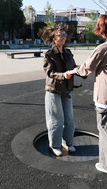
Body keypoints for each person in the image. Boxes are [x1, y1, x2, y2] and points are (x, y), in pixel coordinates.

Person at [66, 14, 107, 175]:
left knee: (106, 131)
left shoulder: (103, 49)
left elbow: (86, 69)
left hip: (106, 96)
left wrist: (72, 70)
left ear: (102, 29)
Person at [41, 24, 77, 157]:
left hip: (66, 90)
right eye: (60, 35)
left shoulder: (68, 53)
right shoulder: (49, 54)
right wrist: (63, 75)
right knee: (56, 119)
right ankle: (54, 145)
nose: (63, 38)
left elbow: (73, 67)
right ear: (54, 38)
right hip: (54, 90)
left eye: (64, 35)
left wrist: (83, 70)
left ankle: (67, 142)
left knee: (69, 119)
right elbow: (49, 72)